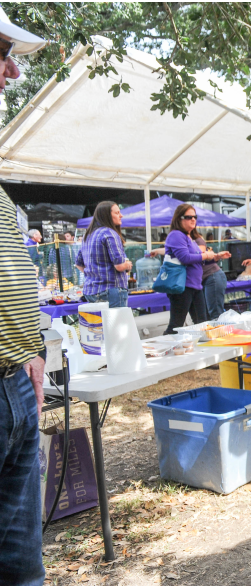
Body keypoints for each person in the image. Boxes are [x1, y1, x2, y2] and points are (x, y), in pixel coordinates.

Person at [0, 14, 48, 586]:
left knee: (21, 568)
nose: (12, 71)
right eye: (1, 52)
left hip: (15, 383)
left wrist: (31, 347)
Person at [162, 205, 217, 333]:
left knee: (203, 324)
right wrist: (205, 255)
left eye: (194, 217)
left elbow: (196, 259)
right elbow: (185, 258)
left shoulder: (188, 237)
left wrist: (215, 257)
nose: (193, 219)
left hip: (194, 285)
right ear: (179, 219)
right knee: (176, 325)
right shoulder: (176, 235)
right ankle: (164, 350)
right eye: (188, 217)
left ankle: (203, 351)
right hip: (182, 286)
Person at [75, 201, 131, 307]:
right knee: (116, 324)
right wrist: (127, 264)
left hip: (91, 291)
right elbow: (119, 266)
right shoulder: (110, 233)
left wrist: (94, 274)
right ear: (107, 215)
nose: (121, 215)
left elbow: (78, 263)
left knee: (101, 323)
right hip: (111, 289)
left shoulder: (88, 235)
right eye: (117, 213)